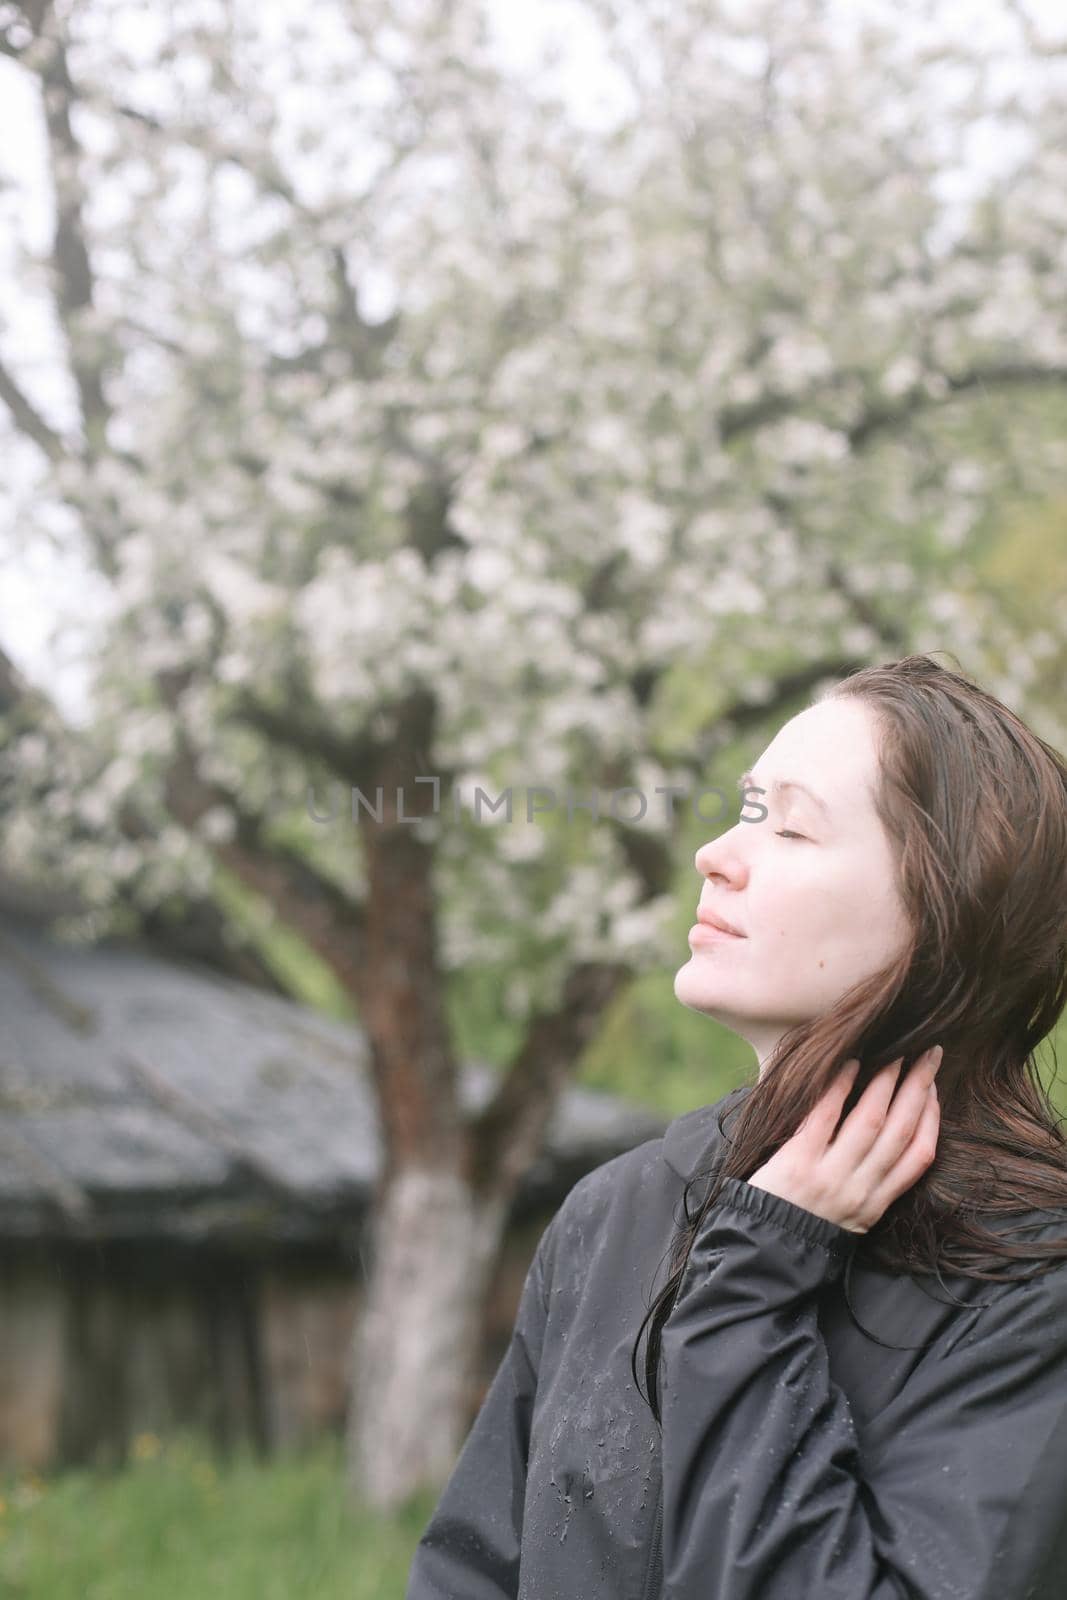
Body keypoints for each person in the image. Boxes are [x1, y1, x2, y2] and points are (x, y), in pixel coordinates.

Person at [405, 653, 1067, 1600]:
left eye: (792, 828)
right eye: (748, 810)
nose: (715, 852)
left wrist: (751, 1286)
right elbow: (470, 1574)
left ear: (947, 906)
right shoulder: (613, 1213)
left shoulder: (1032, 1283)